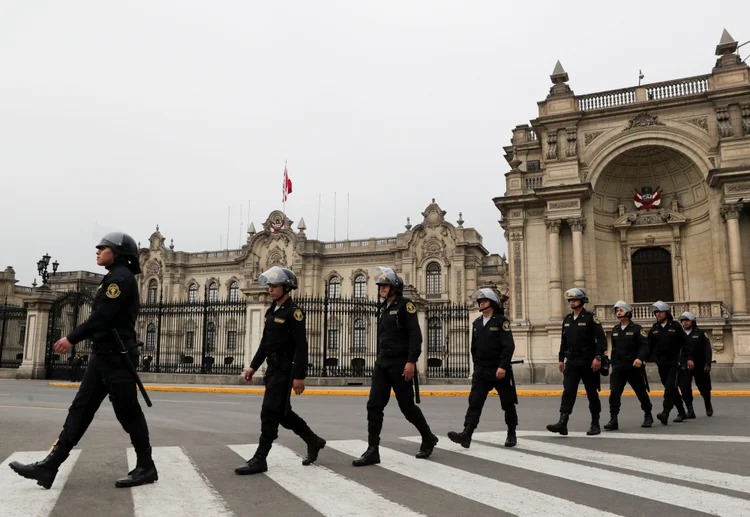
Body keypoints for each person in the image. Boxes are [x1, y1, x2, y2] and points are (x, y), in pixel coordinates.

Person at [9, 232, 157, 489]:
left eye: (104, 247)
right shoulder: (111, 278)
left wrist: (72, 338)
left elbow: (102, 317)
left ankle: (146, 466)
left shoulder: (120, 279)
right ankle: (49, 466)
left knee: (127, 412)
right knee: (81, 409)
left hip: (117, 357)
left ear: (118, 253)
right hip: (103, 356)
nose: (98, 251)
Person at [235, 266, 326, 475]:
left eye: (274, 285)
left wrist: (299, 376)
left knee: (269, 412)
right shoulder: (271, 311)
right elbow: (264, 344)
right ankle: (313, 440)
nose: (270, 289)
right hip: (273, 369)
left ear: (286, 288)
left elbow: (301, 346)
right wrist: (253, 366)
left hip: (286, 370)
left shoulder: (294, 313)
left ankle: (260, 458)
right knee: (282, 413)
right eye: (269, 285)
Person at [352, 266, 437, 466]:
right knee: (374, 406)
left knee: (407, 407)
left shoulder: (405, 306)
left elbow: (415, 336)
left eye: (385, 285)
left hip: (400, 363)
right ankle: (373, 450)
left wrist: (410, 362)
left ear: (394, 287)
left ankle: (428, 437)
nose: (381, 288)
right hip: (382, 362)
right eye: (380, 285)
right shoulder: (384, 308)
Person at [448, 288, 518, 448]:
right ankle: (466, 434)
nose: (481, 303)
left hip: (499, 369)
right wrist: (477, 366)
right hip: (482, 370)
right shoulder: (477, 323)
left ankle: (511, 433)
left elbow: (508, 346)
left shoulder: (501, 321)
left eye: (484, 301)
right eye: (479, 301)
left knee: (507, 403)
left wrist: (502, 366)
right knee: (475, 402)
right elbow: (474, 348)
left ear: (492, 303)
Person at [547, 288, 607, 436]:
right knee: (568, 392)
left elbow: (601, 340)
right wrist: (561, 359)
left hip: (588, 361)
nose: (571, 302)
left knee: (591, 393)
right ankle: (563, 422)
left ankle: (595, 423)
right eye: (570, 300)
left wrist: (598, 357)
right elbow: (564, 341)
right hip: (572, 362)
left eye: (574, 299)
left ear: (582, 301)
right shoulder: (567, 319)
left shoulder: (590, 318)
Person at [603, 301, 653, 431]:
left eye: (620, 310)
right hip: (618, 367)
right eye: (617, 311)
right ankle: (613, 419)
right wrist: (611, 363)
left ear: (628, 312)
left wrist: (640, 358)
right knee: (614, 393)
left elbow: (644, 346)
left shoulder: (637, 329)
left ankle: (648, 414)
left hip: (633, 367)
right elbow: (613, 349)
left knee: (641, 392)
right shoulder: (615, 329)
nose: (618, 312)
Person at [647, 301, 690, 425]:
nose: (658, 314)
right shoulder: (654, 328)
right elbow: (648, 346)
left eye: (660, 312)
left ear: (666, 313)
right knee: (670, 388)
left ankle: (665, 412)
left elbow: (685, 344)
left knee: (670, 387)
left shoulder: (675, 326)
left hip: (674, 363)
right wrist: (642, 358)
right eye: (656, 312)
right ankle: (681, 412)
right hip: (661, 363)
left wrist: (686, 359)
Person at [677, 311, 713, 418]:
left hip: (700, 365)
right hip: (684, 365)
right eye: (683, 321)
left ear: (692, 322)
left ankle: (707, 403)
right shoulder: (679, 334)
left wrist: (707, 363)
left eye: (687, 321)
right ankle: (690, 410)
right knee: (684, 387)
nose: (685, 323)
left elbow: (707, 349)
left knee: (704, 387)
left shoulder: (700, 333)